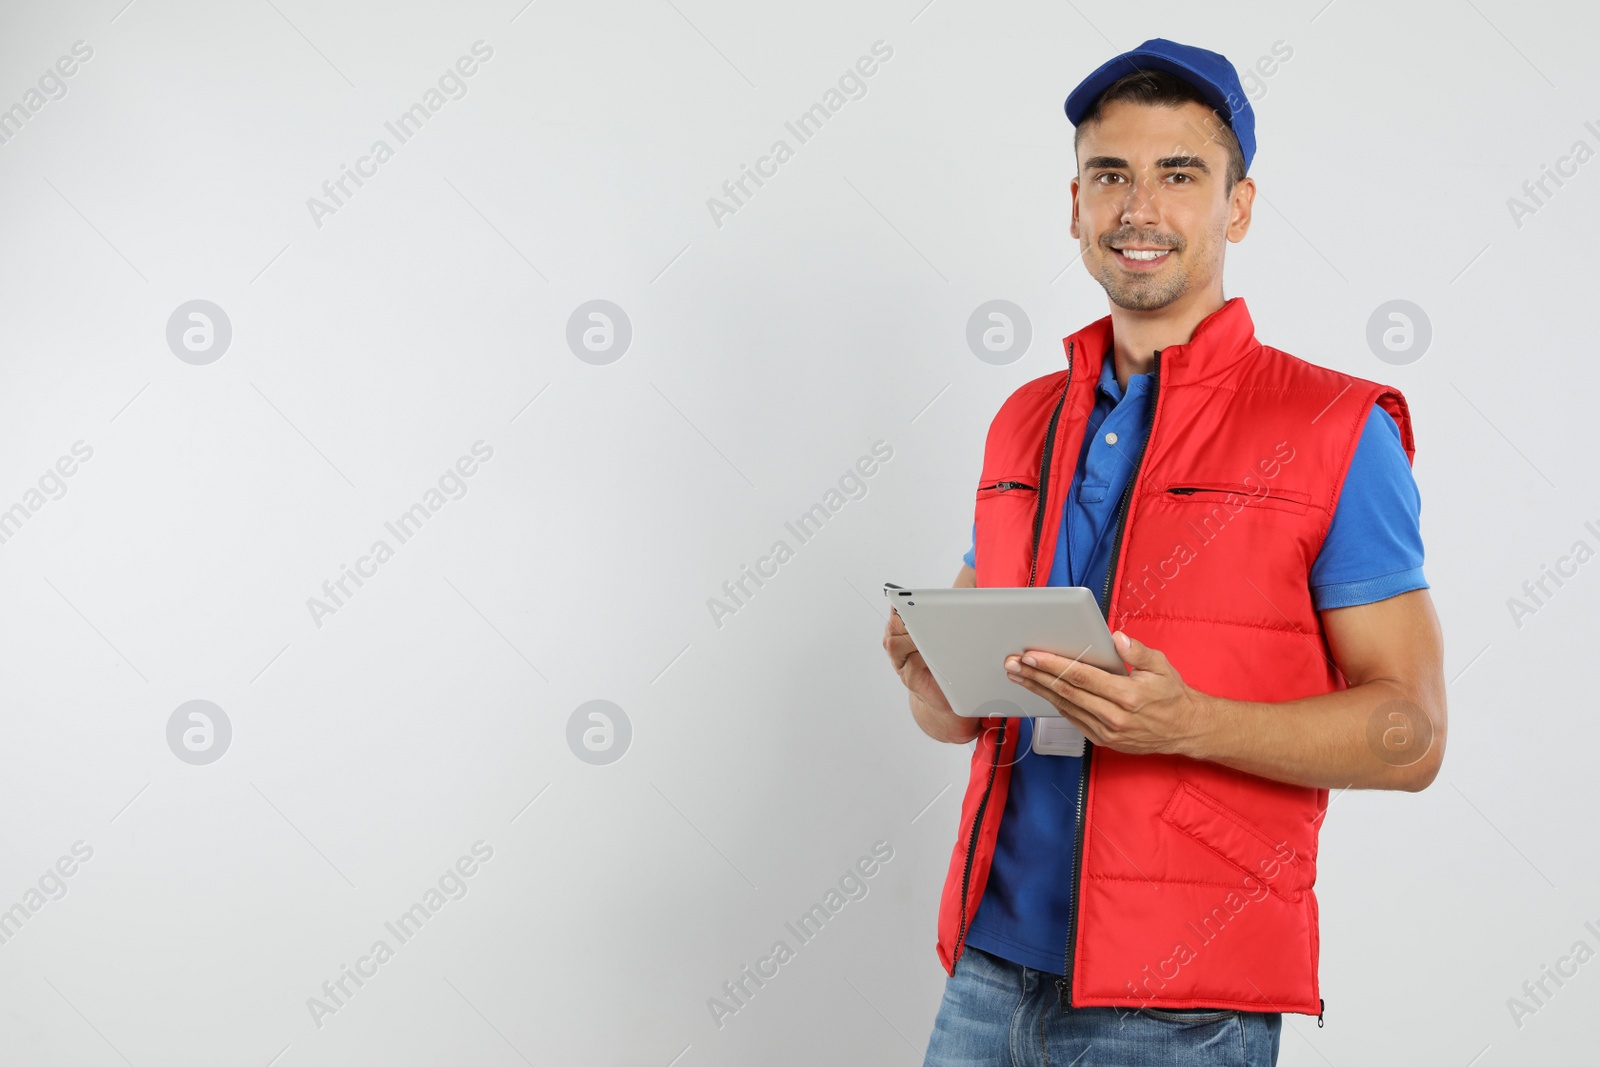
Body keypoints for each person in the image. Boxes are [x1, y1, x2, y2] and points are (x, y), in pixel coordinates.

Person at [882, 38, 1446, 1066]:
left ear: (1235, 206)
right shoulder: (1024, 420)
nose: (1138, 208)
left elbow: (1411, 734)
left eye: (1177, 175)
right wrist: (927, 669)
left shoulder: (1332, 425)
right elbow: (954, 714)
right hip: (985, 971)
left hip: (1180, 1007)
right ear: (1075, 204)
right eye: (1111, 175)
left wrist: (1190, 724)